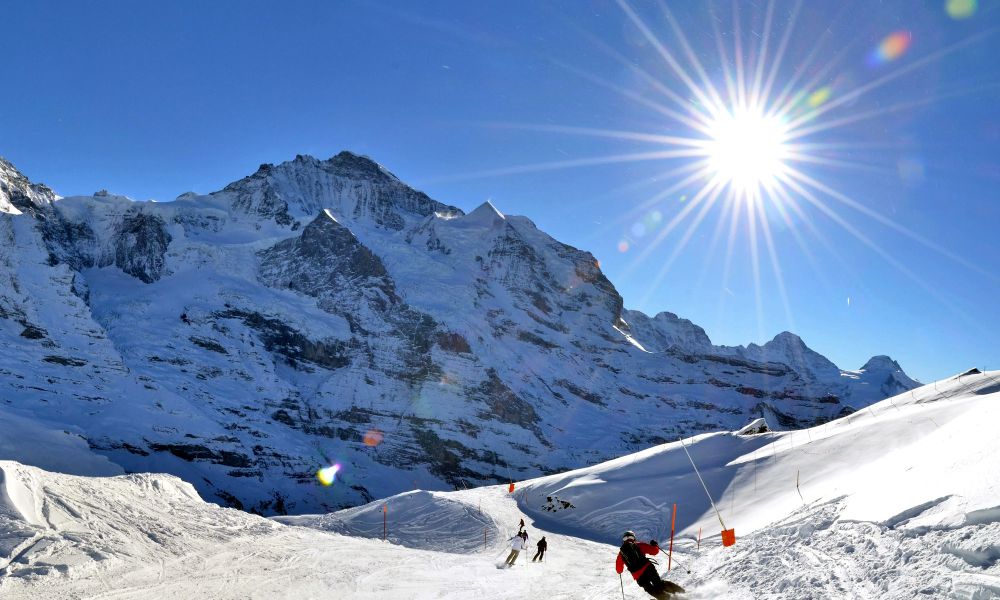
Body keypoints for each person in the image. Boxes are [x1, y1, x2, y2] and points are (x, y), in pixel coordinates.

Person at [615, 531, 684, 599]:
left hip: (638, 575)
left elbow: (619, 570)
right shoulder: (639, 545)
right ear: (633, 538)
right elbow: (654, 551)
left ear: (624, 540)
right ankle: (681, 592)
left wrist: (621, 570)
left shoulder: (621, 553)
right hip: (648, 568)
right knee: (659, 584)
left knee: (649, 588)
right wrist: (655, 545)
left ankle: (666, 598)